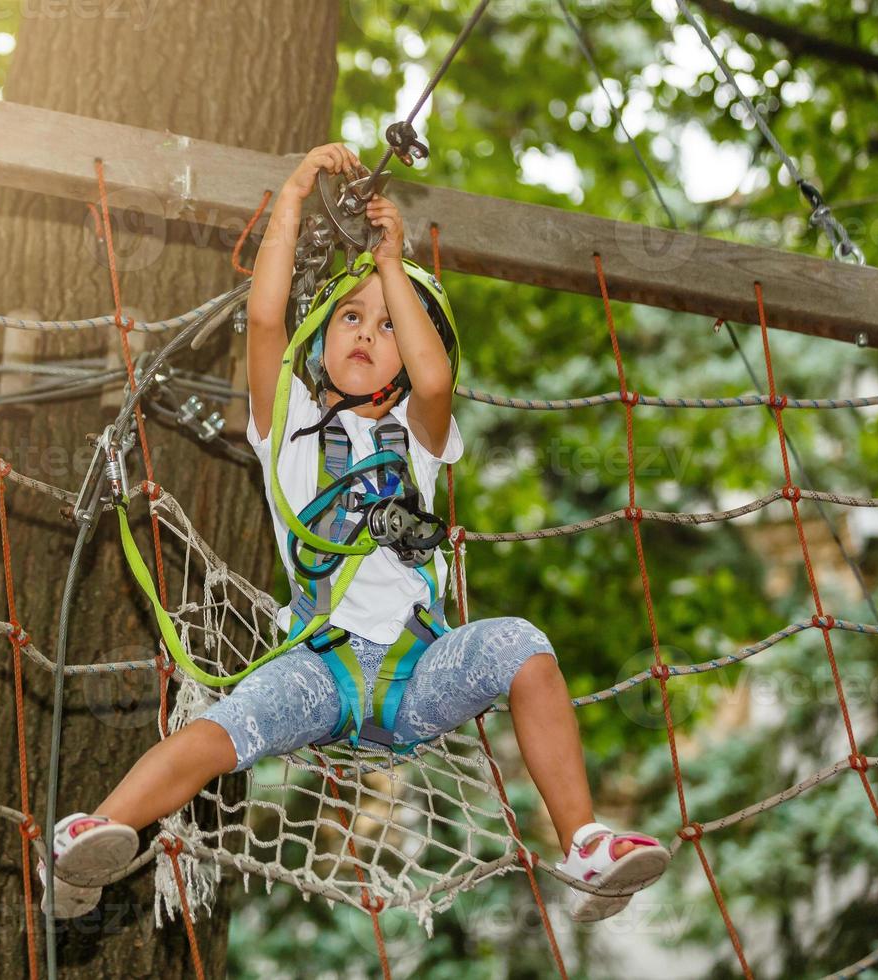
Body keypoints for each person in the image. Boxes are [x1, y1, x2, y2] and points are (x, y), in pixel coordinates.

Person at [38, 143, 670, 923]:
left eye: (387, 326)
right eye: (349, 316)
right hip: (320, 666)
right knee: (218, 733)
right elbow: (265, 316)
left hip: (416, 671)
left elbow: (436, 379)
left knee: (524, 648)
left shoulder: (424, 436)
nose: (365, 333)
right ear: (323, 334)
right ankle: (94, 838)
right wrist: (294, 195)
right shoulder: (291, 427)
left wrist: (391, 266)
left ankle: (583, 843)